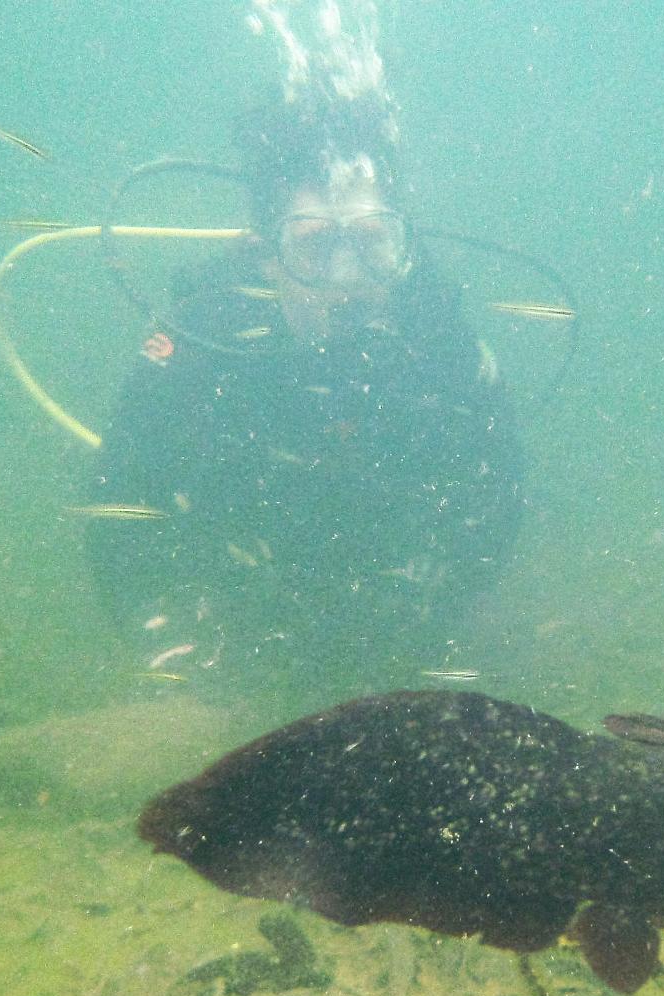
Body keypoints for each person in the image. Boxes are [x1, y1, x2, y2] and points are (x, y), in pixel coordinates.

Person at [84, 92, 525, 693]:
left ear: (402, 247)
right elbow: (120, 501)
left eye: (373, 240)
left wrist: (438, 606)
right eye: (316, 245)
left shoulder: (441, 340)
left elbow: (499, 490)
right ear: (266, 255)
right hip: (235, 621)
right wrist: (168, 640)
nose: (348, 274)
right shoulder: (203, 339)